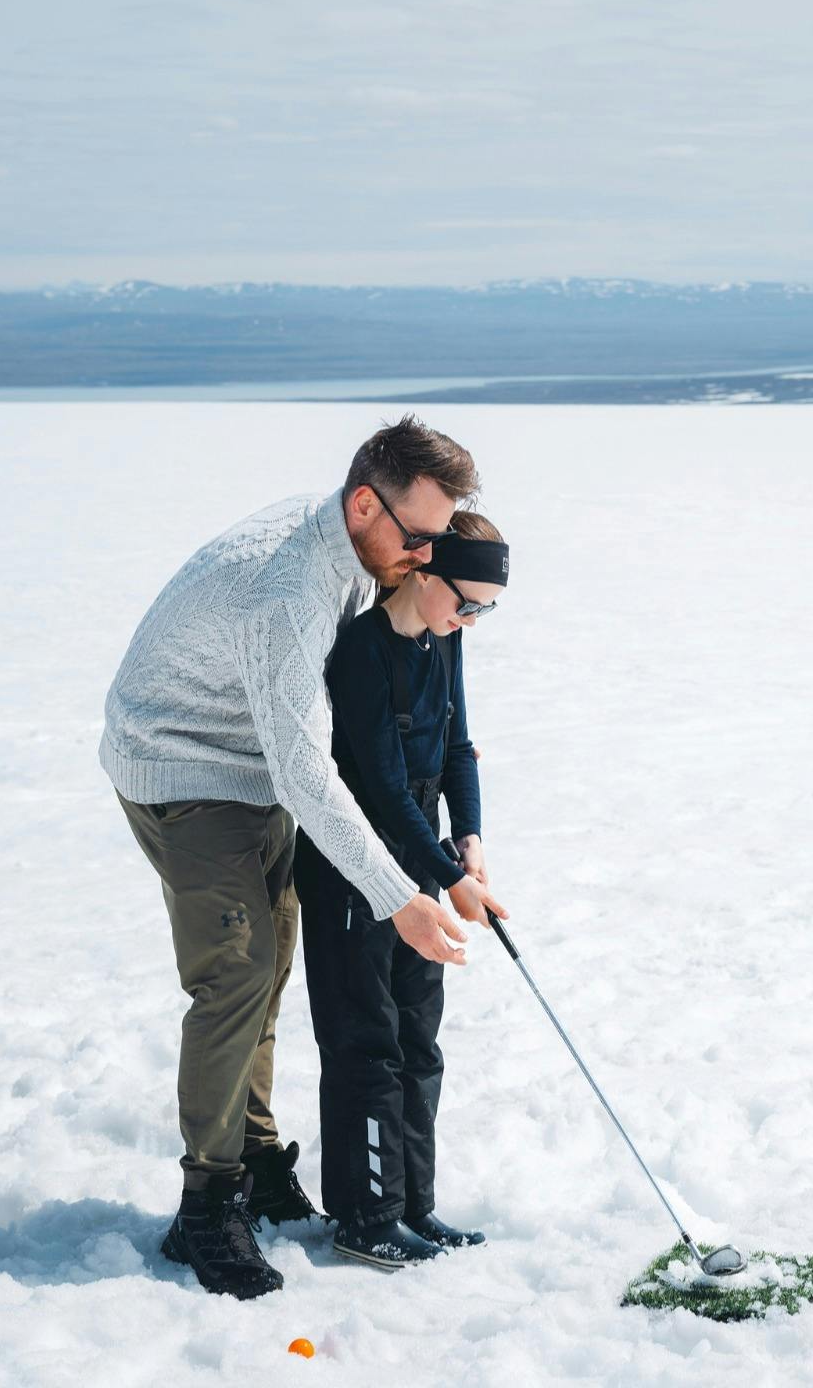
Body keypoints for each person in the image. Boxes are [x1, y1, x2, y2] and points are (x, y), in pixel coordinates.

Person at [103, 418, 479, 1300]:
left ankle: (258, 1158)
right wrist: (399, 896)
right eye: (417, 537)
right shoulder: (291, 592)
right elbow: (303, 768)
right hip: (182, 764)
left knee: (267, 970)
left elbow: (296, 756)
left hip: (252, 766)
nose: (426, 557)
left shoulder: (352, 545)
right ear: (362, 503)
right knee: (234, 974)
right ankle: (207, 1204)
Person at [296, 511, 510, 1269]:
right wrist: (450, 877)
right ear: (422, 574)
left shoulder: (442, 638)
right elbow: (381, 788)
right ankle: (365, 1215)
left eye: (485, 608)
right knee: (368, 1043)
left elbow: (456, 747)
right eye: (466, 601)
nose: (470, 620)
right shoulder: (360, 650)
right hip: (353, 859)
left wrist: (470, 840)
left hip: (420, 847)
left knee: (419, 1039)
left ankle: (412, 1204)